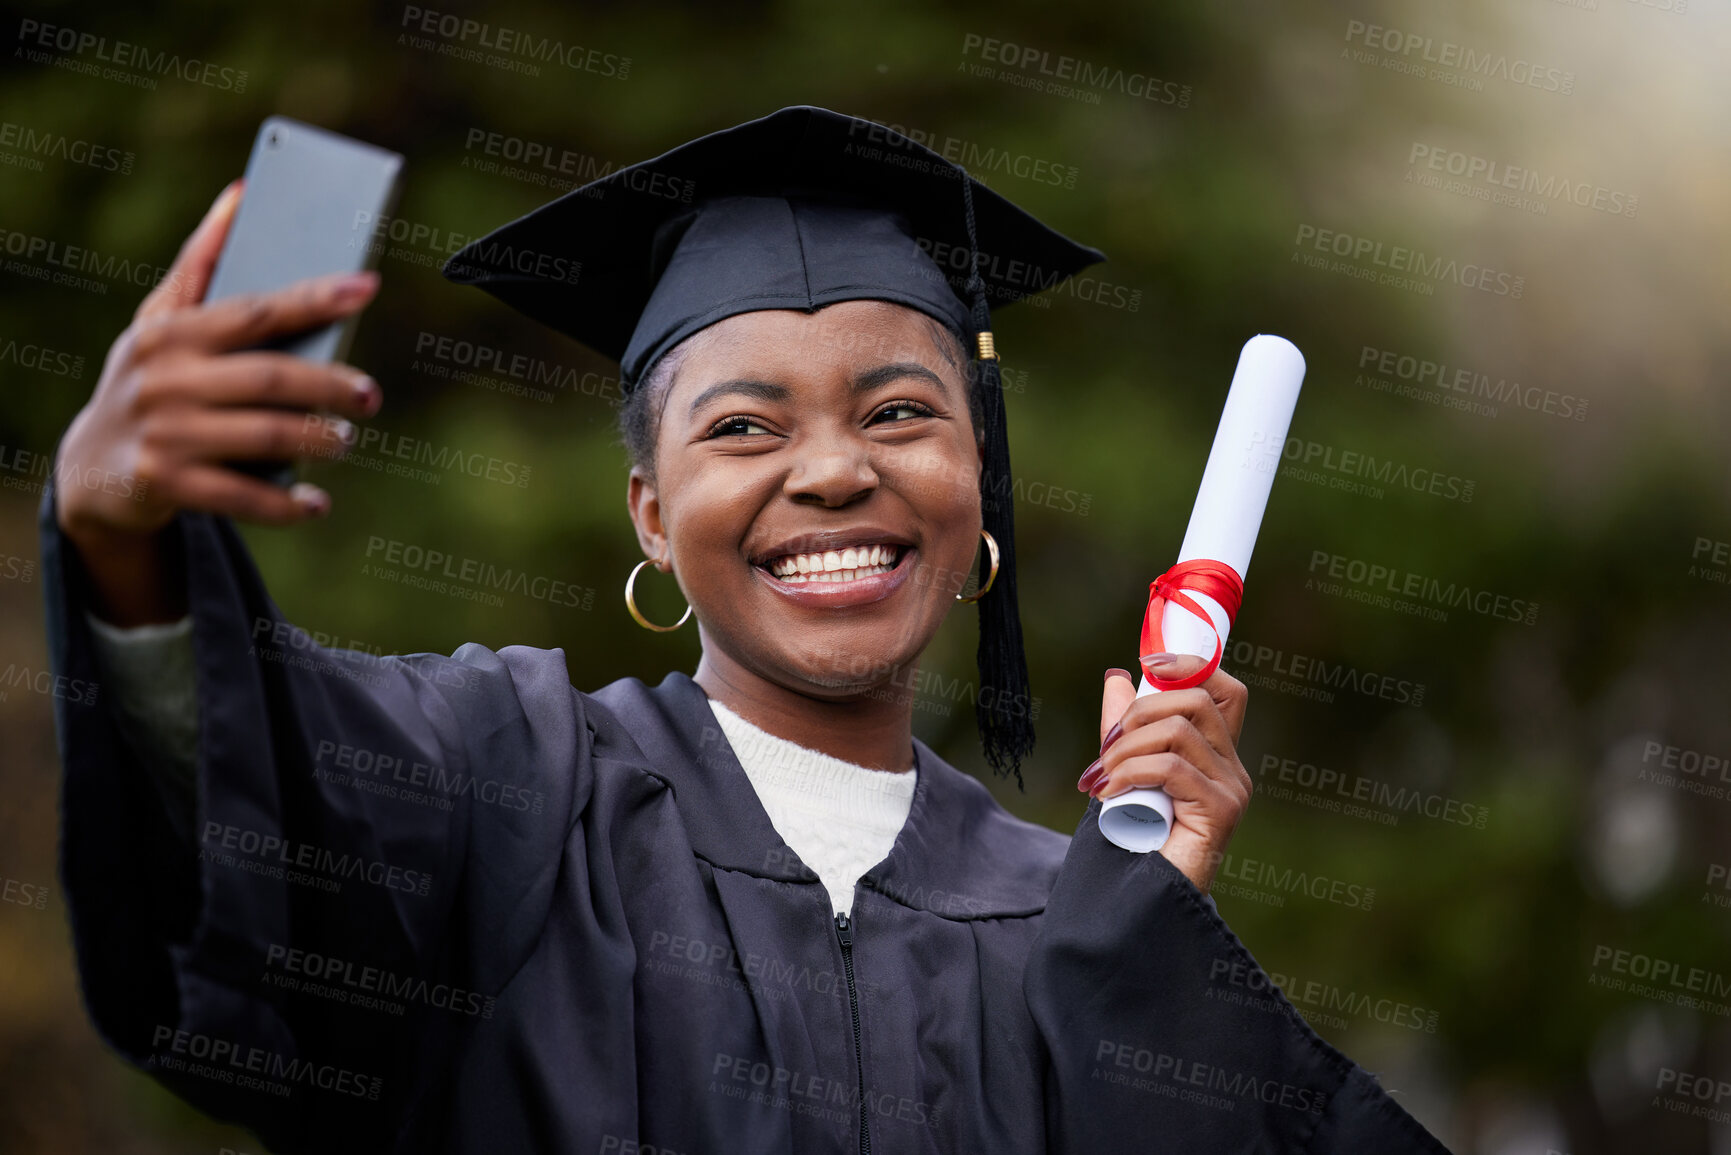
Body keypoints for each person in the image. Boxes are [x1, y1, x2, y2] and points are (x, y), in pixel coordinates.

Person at [40, 105, 1448, 1153]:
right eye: (744, 427)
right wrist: (127, 546)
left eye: (900, 411)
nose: (834, 469)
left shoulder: (1066, 927)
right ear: (653, 515)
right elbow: (262, 794)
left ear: (979, 485)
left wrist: (1154, 955)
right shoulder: (506, 785)